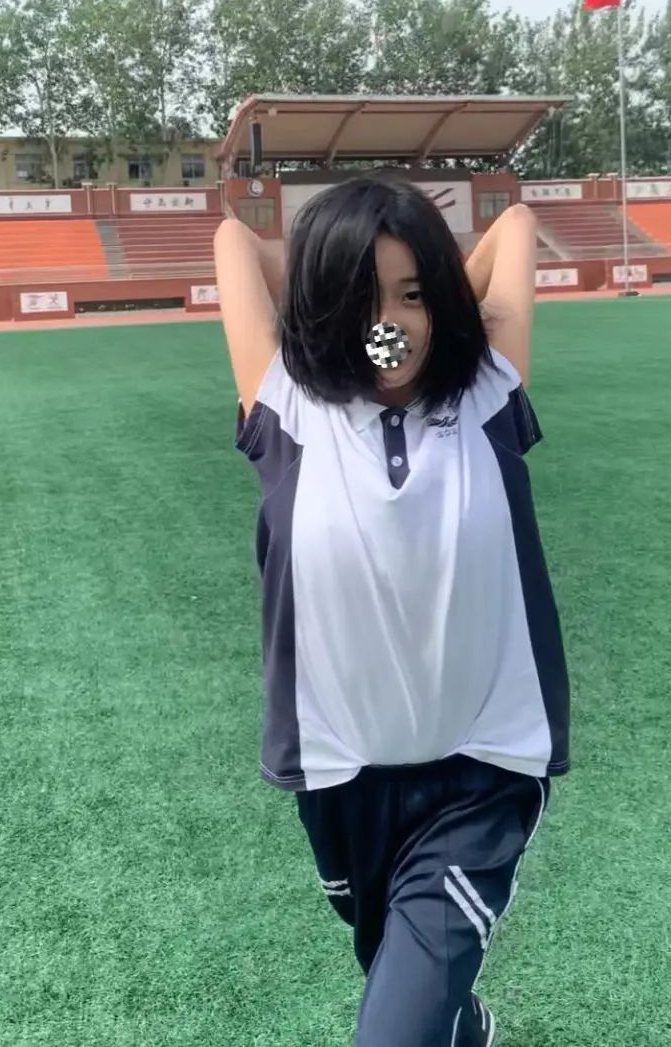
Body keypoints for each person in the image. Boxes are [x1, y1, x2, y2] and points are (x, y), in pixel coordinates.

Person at [214, 178, 569, 1047]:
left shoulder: (488, 392)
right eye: (367, 300)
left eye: (414, 296)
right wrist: (333, 269)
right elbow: (232, 241)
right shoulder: (286, 405)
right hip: (342, 775)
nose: (393, 324)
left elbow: (516, 223)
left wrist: (432, 278)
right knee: (395, 976)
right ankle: (466, 1027)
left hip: (481, 769)